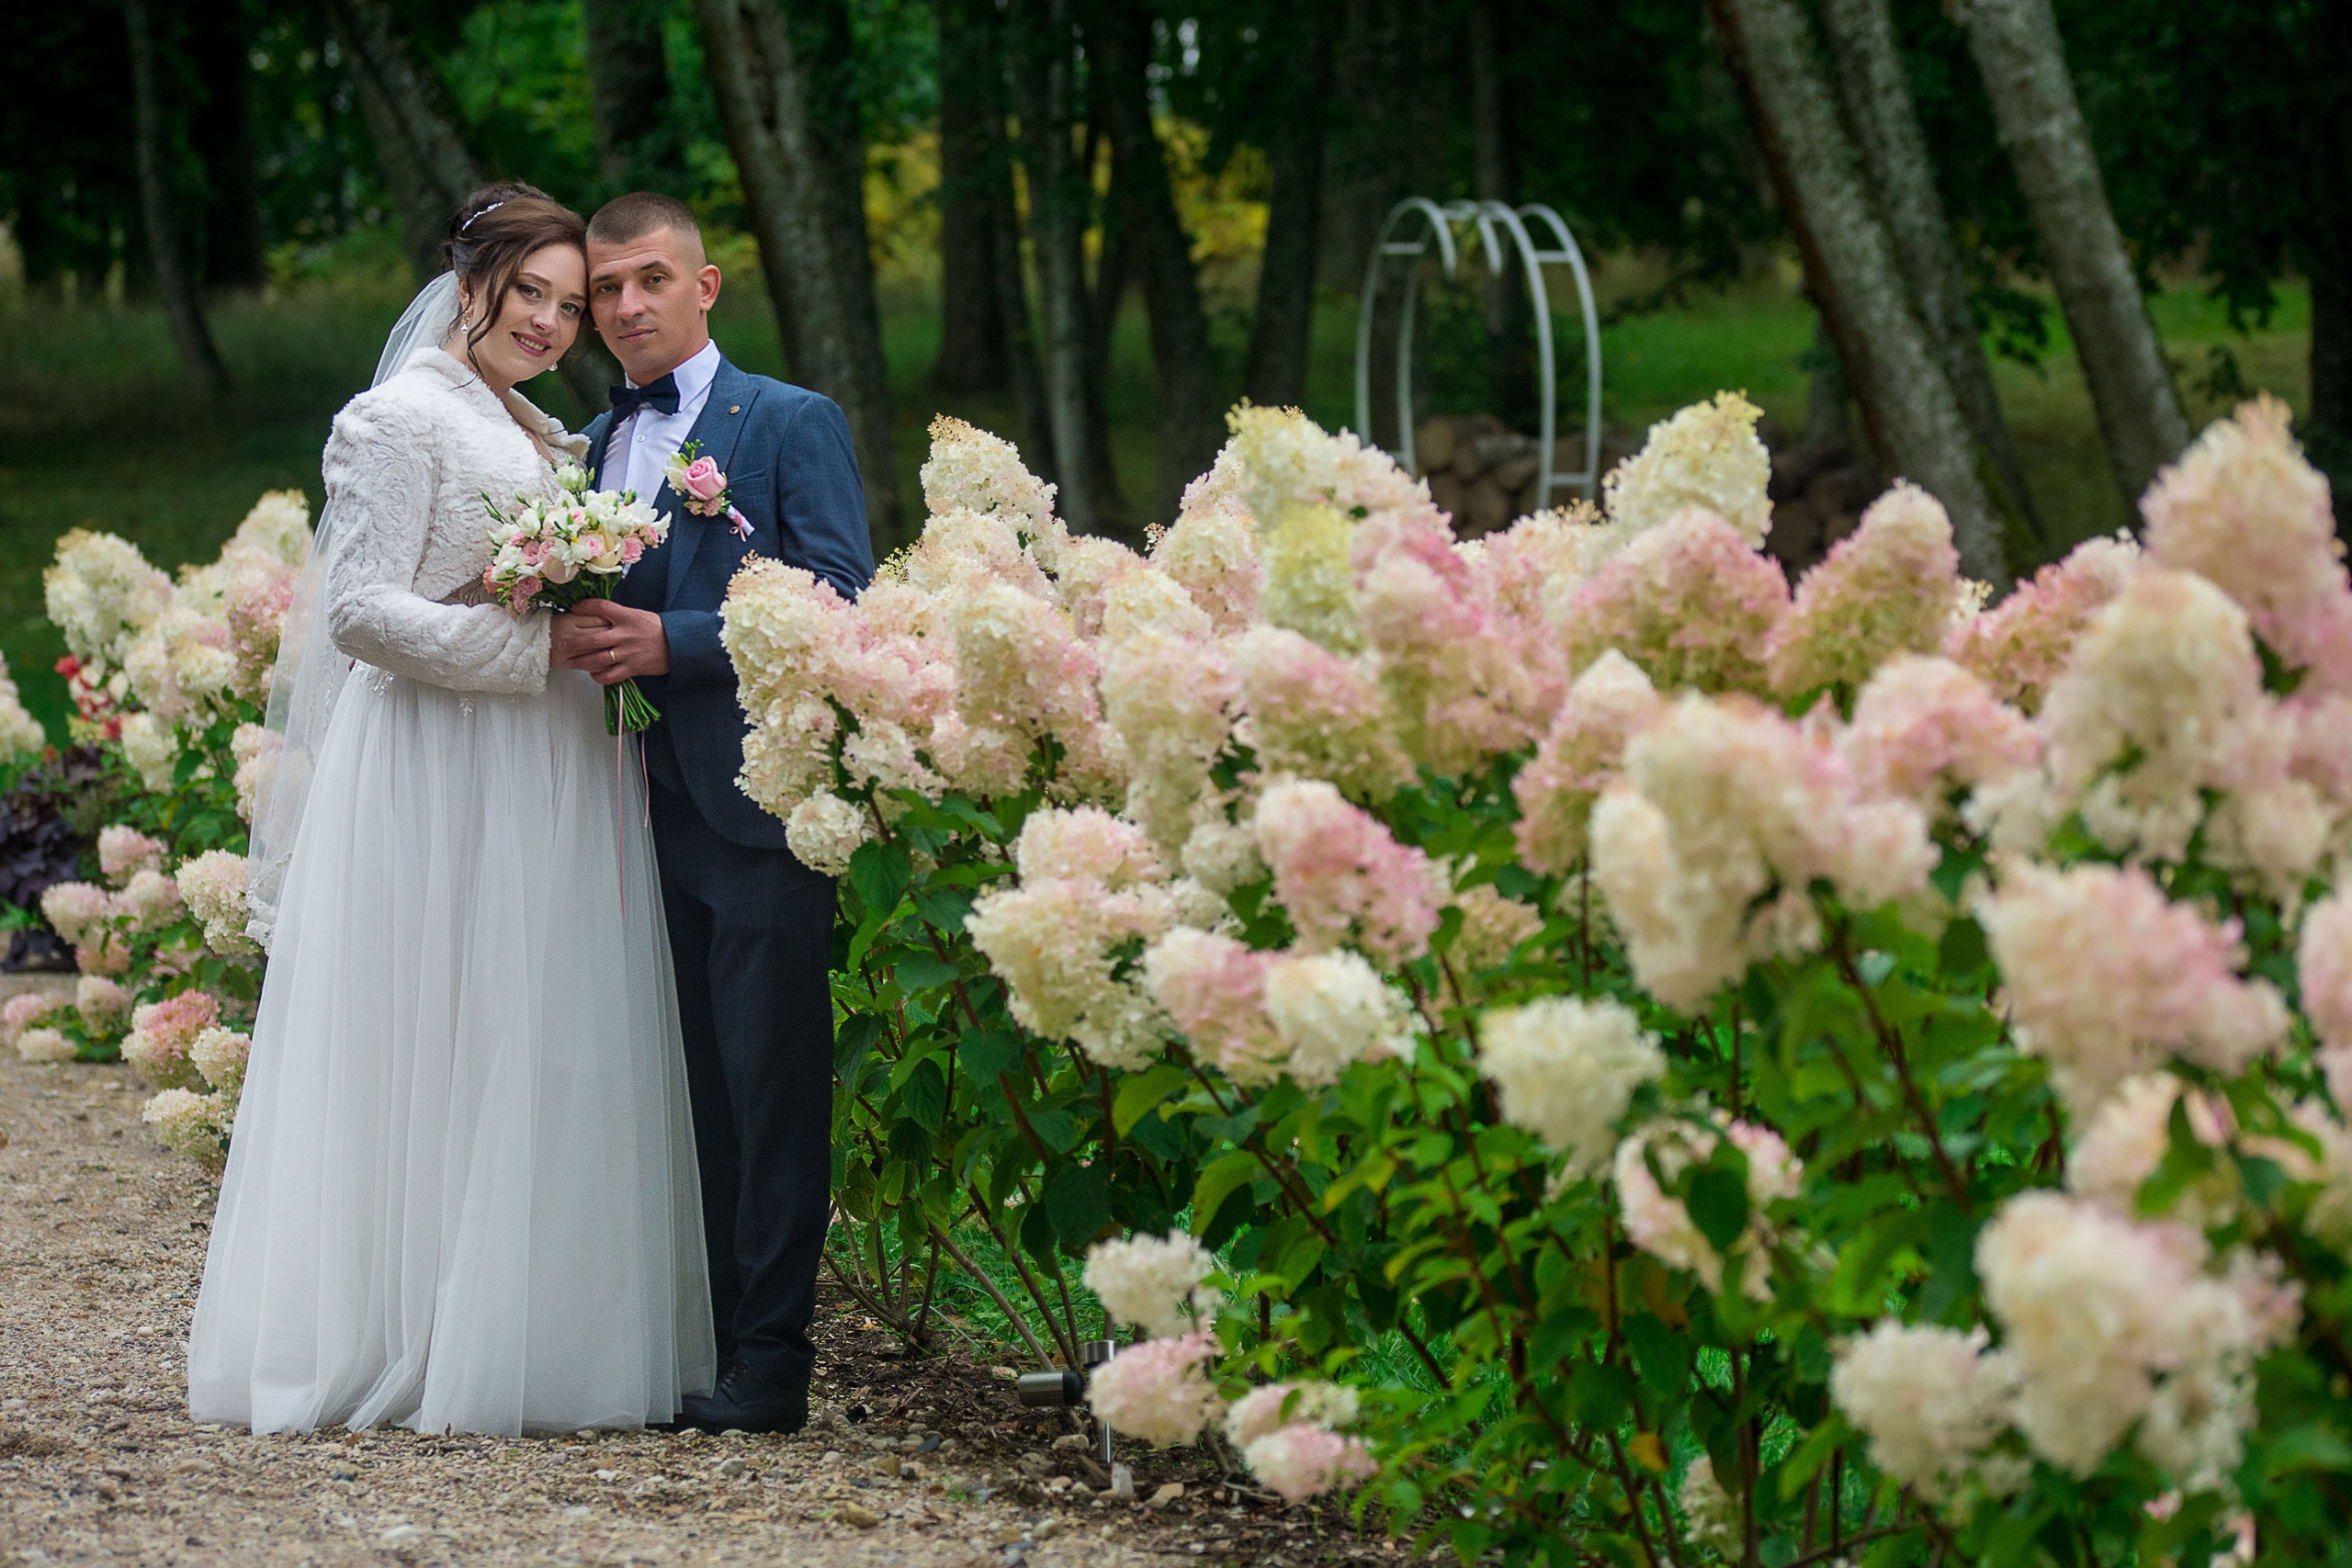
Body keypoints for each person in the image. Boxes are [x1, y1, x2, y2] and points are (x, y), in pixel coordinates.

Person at [187, 184, 715, 1437]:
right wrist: (528, 642)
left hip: (544, 762)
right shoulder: (396, 419)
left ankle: (531, 1332)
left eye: (570, 306)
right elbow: (360, 612)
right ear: (469, 284)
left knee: (531, 1029)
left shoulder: (549, 434)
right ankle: (401, 1334)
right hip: (439, 759)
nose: (549, 323)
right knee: (431, 1026)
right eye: (529, 293)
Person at [553, 193, 872, 1435]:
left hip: (754, 816)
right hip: (625, 813)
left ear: (706, 285)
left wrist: (676, 642)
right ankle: (707, 1343)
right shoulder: (590, 446)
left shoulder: (787, 422)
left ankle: (773, 1365)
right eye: (606, 289)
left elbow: (839, 597)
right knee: (683, 1089)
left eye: (649, 279)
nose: (627, 305)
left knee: (770, 1085)